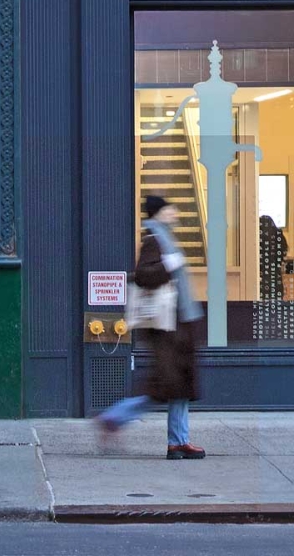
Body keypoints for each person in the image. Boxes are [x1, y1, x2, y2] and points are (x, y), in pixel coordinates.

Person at [96, 195, 206, 459]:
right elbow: (144, 275)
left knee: (179, 385)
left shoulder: (164, 238)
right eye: (170, 209)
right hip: (165, 327)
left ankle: (179, 442)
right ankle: (114, 417)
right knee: (164, 385)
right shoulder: (153, 240)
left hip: (176, 324)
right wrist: (169, 265)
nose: (174, 213)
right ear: (159, 213)